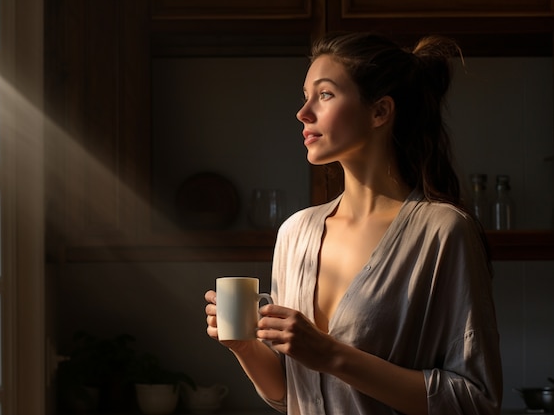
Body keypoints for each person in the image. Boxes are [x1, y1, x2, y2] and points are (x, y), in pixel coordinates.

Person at [204, 31, 503, 415]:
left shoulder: (443, 232)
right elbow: (291, 394)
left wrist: (331, 355)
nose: (303, 112)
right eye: (305, 96)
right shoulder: (295, 233)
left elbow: (475, 401)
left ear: (380, 111)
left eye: (324, 95)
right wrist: (245, 346)